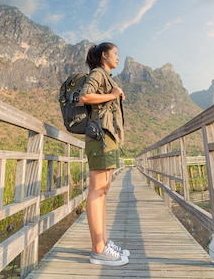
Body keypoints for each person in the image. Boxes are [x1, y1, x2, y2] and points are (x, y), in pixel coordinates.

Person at [78, 42, 130, 266]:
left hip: (107, 139)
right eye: (115, 53)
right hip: (99, 138)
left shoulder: (107, 78)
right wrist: (112, 95)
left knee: (103, 190)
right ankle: (98, 249)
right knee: (97, 190)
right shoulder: (98, 73)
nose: (118, 57)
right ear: (103, 55)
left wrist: (115, 94)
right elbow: (85, 97)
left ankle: (103, 242)